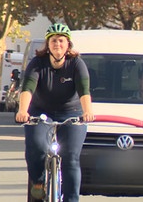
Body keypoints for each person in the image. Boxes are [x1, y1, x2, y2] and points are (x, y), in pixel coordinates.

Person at [15, 23, 94, 202]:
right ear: (47, 45)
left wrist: (88, 112)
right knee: (37, 148)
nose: (57, 44)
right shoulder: (37, 63)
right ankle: (38, 183)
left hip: (72, 112)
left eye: (61, 41)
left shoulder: (76, 64)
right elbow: (27, 89)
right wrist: (22, 111)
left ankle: (71, 199)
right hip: (41, 112)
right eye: (53, 41)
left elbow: (84, 91)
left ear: (68, 45)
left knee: (71, 158)